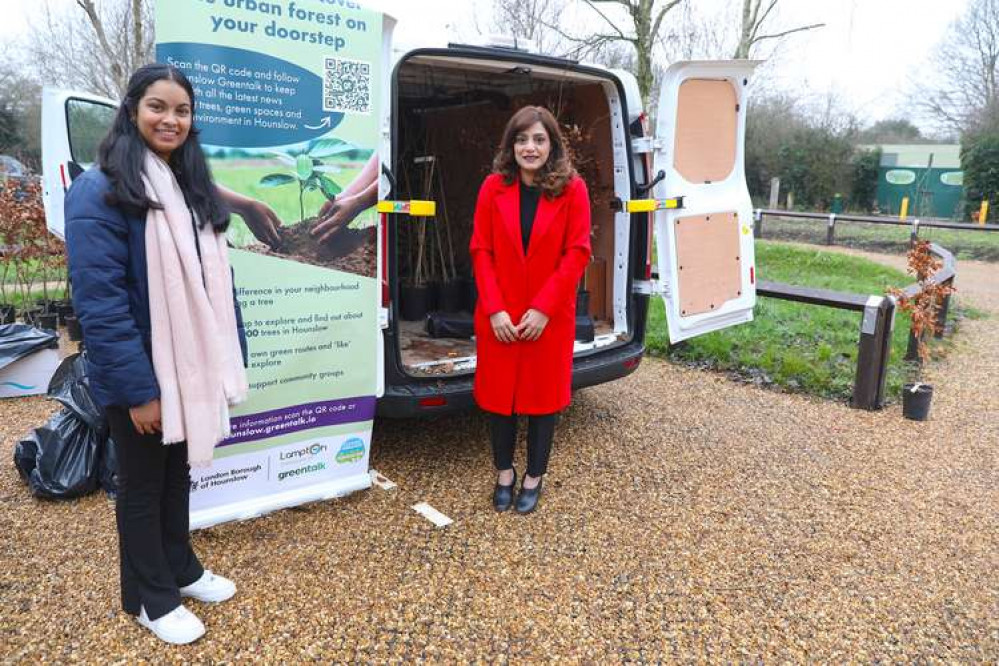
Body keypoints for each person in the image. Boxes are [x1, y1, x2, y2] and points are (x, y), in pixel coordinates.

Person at [64, 64, 249, 645]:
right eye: (158, 107)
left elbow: (216, 282)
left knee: (176, 477)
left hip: (189, 365)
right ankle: (148, 596)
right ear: (131, 110)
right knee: (142, 486)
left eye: (182, 110)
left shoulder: (187, 186)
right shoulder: (102, 190)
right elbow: (102, 304)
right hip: (144, 371)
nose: (171, 119)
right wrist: (138, 392)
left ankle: (182, 568)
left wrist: (229, 354)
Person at [469, 106, 592, 514]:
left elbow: (577, 253)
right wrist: (494, 309)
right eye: (522, 139)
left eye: (539, 139)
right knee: (499, 399)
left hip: (548, 318)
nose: (530, 147)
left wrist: (543, 309)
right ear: (512, 145)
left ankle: (533, 478)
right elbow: (481, 250)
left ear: (552, 145)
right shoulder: (492, 187)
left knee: (542, 402)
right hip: (500, 316)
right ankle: (503, 473)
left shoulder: (573, 189)